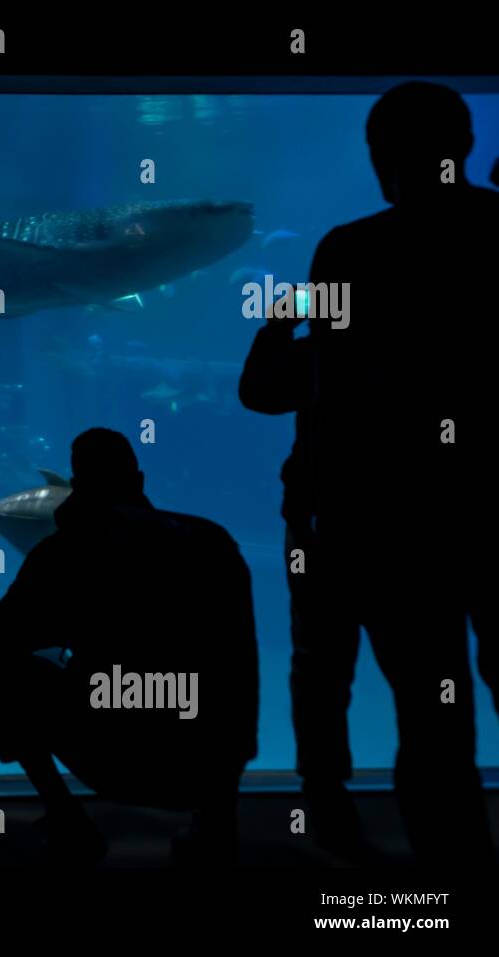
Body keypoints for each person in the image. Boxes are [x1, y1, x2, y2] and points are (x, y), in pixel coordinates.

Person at [305, 81, 496, 865]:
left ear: (383, 155)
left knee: (432, 714)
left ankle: (452, 881)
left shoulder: (351, 248)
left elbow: (327, 385)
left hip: (395, 525)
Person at [0, 428, 258, 867]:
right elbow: (239, 670)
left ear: (75, 488)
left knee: (5, 672)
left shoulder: (65, 552)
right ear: (139, 479)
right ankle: (215, 823)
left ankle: (67, 817)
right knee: (224, 672)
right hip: (208, 766)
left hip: (115, 757)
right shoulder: (214, 541)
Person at [239, 298, 370, 860]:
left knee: (318, 663)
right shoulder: (419, 350)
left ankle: (324, 791)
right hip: (413, 534)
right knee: (428, 672)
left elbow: (258, 394)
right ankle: (442, 802)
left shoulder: (318, 354)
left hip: (321, 529)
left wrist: (276, 323)